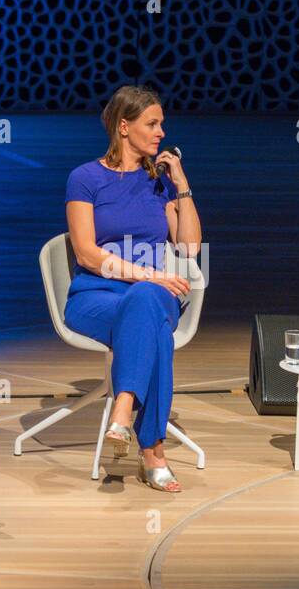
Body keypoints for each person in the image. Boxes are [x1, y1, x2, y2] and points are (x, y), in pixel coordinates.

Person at [64, 86, 202, 492]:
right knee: (153, 325)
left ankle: (122, 412)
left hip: (152, 296)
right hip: (94, 296)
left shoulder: (159, 183)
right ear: (124, 127)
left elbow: (190, 247)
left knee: (145, 303)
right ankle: (153, 453)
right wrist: (151, 276)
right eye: (152, 124)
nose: (161, 132)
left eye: (162, 124)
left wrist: (182, 185)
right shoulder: (85, 178)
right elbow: (87, 254)